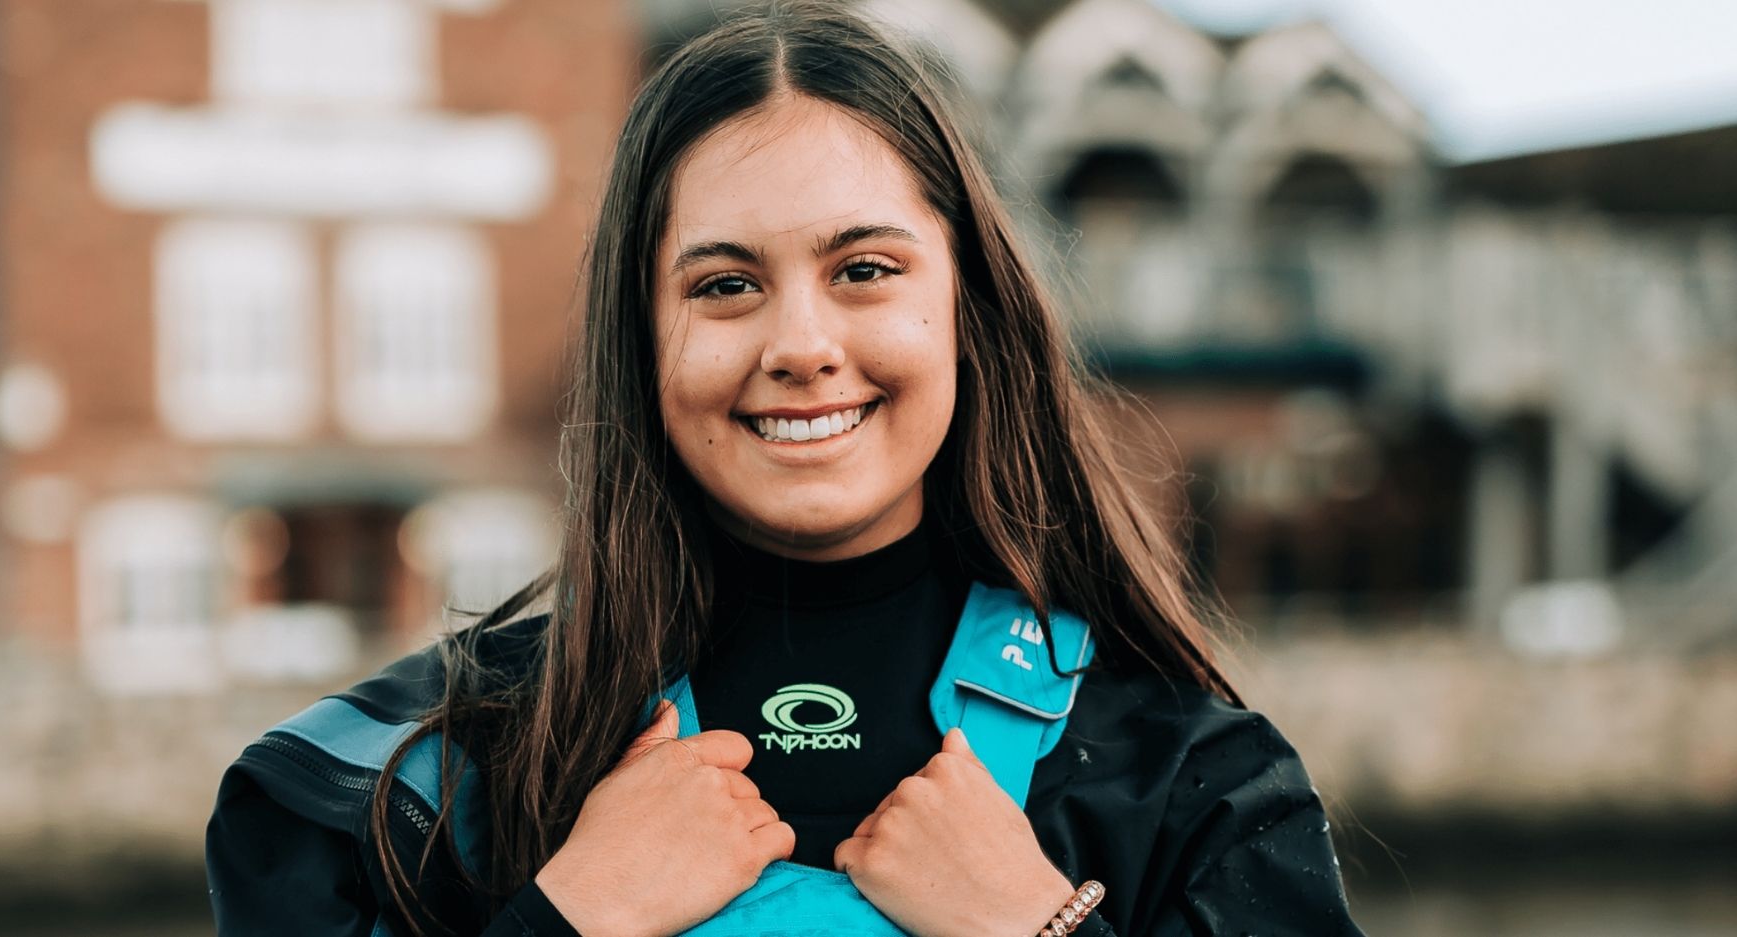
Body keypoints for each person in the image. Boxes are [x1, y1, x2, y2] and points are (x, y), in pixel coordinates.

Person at [205, 4, 1367, 935]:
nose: (801, 345)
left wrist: (1038, 927)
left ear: (966, 309)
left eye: (864, 269)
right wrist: (571, 917)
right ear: (640, 340)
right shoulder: (401, 782)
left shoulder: (1192, 780)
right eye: (723, 284)